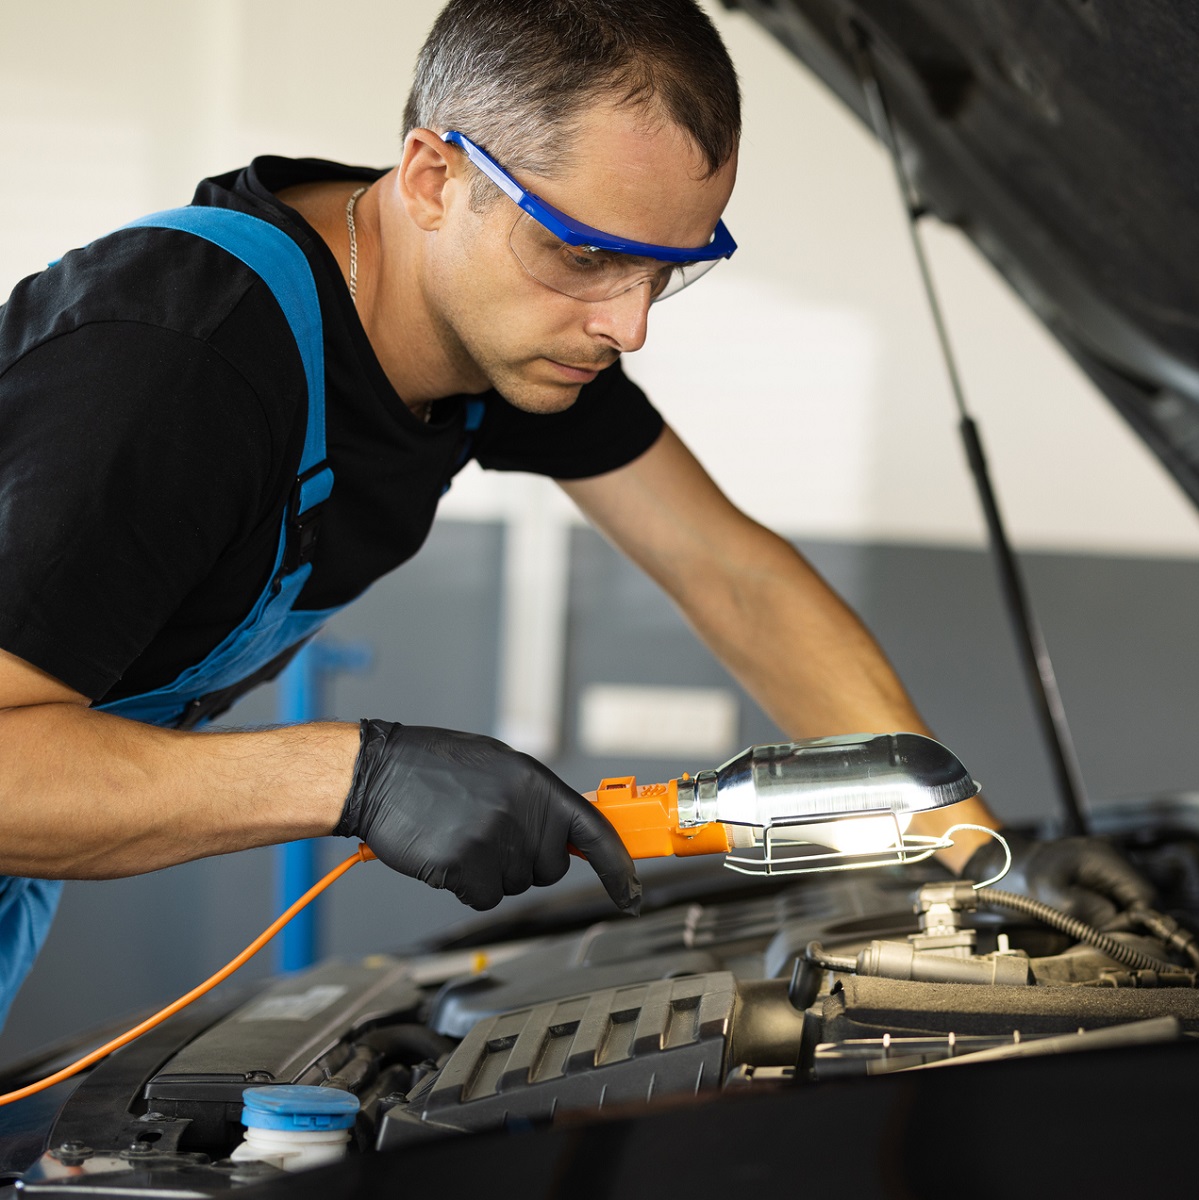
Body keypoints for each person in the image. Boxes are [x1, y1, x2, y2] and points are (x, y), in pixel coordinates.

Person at [0, 0, 1001, 1028]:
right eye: (583, 255)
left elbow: (730, 575)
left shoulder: (494, 325)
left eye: (668, 267)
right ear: (436, 178)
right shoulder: (176, 368)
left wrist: (965, 858)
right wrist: (358, 776)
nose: (629, 324)